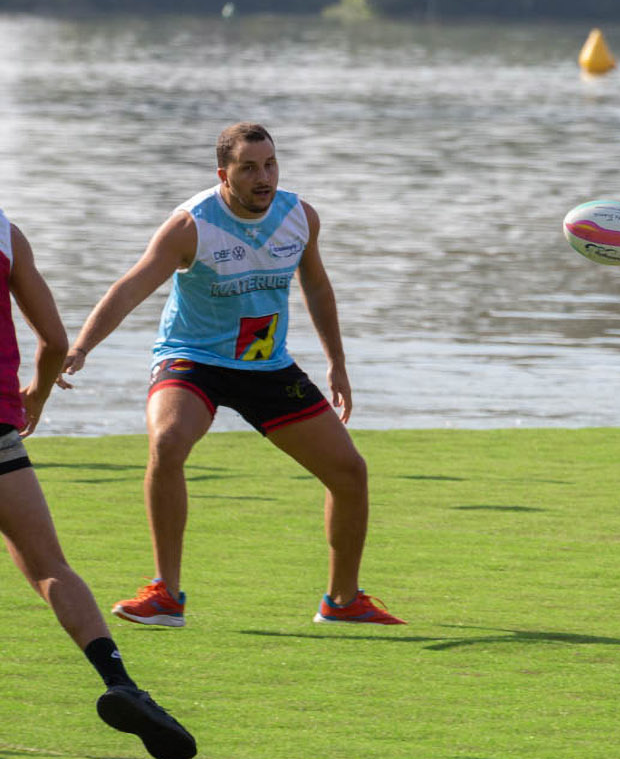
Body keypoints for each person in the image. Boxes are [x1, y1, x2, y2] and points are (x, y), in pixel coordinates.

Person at [61, 123, 402, 627]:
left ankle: (343, 600)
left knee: (349, 472)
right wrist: (81, 346)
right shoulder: (191, 226)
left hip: (266, 365)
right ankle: (165, 594)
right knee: (169, 441)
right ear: (224, 175)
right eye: (249, 168)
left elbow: (318, 287)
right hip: (193, 359)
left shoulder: (299, 216)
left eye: (270, 164)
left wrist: (337, 363)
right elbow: (131, 286)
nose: (263, 177)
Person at [1, 206, 197, 759]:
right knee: (49, 567)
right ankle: (121, 682)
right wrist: (34, 396)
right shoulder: (5, 233)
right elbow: (55, 340)